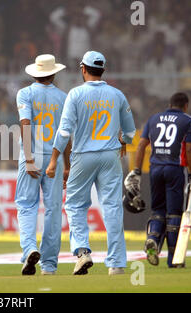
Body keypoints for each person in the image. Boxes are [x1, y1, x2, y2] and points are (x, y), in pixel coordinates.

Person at [46, 51, 136, 276]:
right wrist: (123, 140)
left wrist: (55, 158)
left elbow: (64, 131)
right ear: (103, 70)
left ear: (83, 69)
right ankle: (116, 264)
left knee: (75, 205)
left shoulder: (75, 94)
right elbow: (131, 132)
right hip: (110, 157)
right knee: (112, 207)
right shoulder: (117, 95)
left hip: (83, 155)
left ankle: (83, 252)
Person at [124, 92, 191, 268]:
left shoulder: (153, 119)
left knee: (158, 211)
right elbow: (189, 150)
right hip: (174, 169)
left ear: (170, 103)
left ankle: (152, 238)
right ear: (186, 106)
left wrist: (136, 170)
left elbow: (141, 145)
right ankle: (173, 259)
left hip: (154, 169)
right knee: (174, 213)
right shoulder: (188, 121)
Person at [15, 54, 70, 276]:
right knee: (53, 209)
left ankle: (29, 248)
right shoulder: (64, 97)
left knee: (26, 205)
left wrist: (28, 158)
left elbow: (25, 123)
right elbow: (66, 133)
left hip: (33, 154)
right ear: (54, 73)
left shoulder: (25, 93)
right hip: (55, 156)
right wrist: (67, 165)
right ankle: (49, 265)